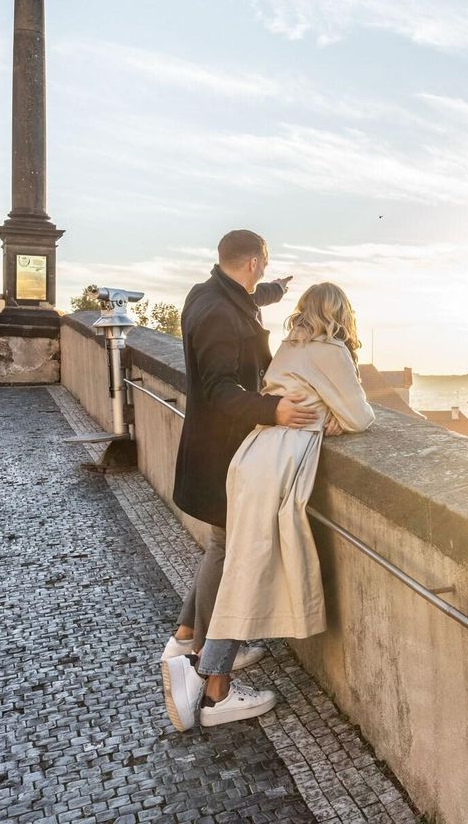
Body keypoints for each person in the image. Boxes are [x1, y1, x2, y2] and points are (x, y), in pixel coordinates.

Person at [163, 282, 375, 731]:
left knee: (242, 564)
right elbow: (361, 416)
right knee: (246, 571)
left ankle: (195, 651)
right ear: (341, 313)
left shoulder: (290, 345)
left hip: (253, 456)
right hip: (276, 465)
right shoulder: (330, 350)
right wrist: (329, 418)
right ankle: (212, 689)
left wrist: (320, 413)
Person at [160, 229, 320, 731]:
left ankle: (187, 636)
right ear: (252, 262)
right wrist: (275, 409)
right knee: (229, 551)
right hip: (221, 452)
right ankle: (210, 674)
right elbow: (221, 389)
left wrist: (276, 289)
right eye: (263, 268)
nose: (263, 277)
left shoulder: (209, 294)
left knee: (220, 546)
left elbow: (246, 301)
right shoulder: (219, 317)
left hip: (212, 447)